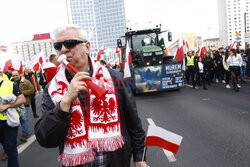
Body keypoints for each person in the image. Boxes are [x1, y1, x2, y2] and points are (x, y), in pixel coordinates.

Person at [35, 25, 148, 167]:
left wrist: (139, 157)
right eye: (58, 46)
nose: (63, 50)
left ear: (87, 47)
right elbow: (45, 138)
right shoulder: (52, 89)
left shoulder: (114, 78)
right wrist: (65, 102)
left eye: (70, 43)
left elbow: (134, 124)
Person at [0, 73, 26, 167]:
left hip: (9, 120)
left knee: (10, 146)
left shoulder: (9, 85)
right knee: (6, 145)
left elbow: (22, 99)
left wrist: (8, 105)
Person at [12, 70, 34, 142]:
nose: (15, 77)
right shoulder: (11, 83)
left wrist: (21, 93)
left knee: (24, 118)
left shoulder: (26, 81)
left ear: (19, 75)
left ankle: (25, 134)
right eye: (13, 75)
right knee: (19, 119)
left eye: (16, 75)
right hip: (15, 104)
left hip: (25, 103)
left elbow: (32, 90)